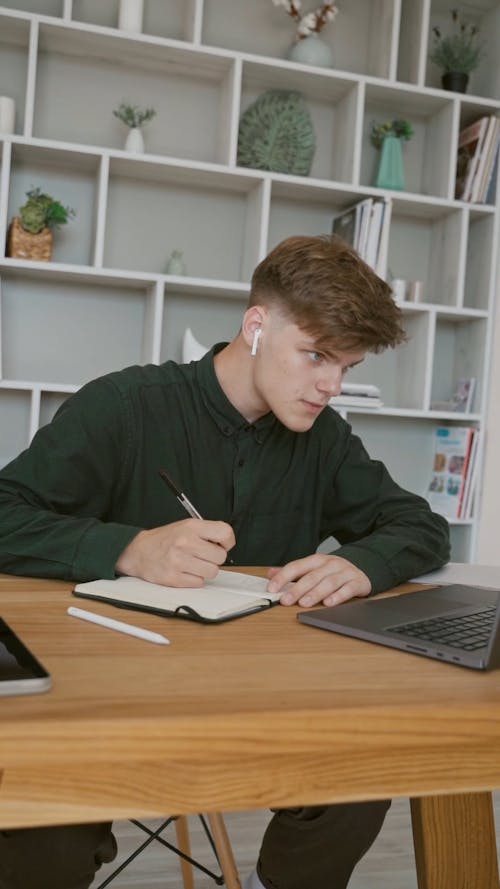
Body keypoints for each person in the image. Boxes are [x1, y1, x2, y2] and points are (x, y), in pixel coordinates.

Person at [0, 234, 449, 889]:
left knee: (364, 774)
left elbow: (421, 526)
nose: (330, 385)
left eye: (347, 367)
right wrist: (128, 548)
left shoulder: (325, 439)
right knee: (38, 821)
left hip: (261, 702)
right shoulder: (123, 406)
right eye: (317, 355)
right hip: (107, 701)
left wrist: (364, 563)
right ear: (256, 325)